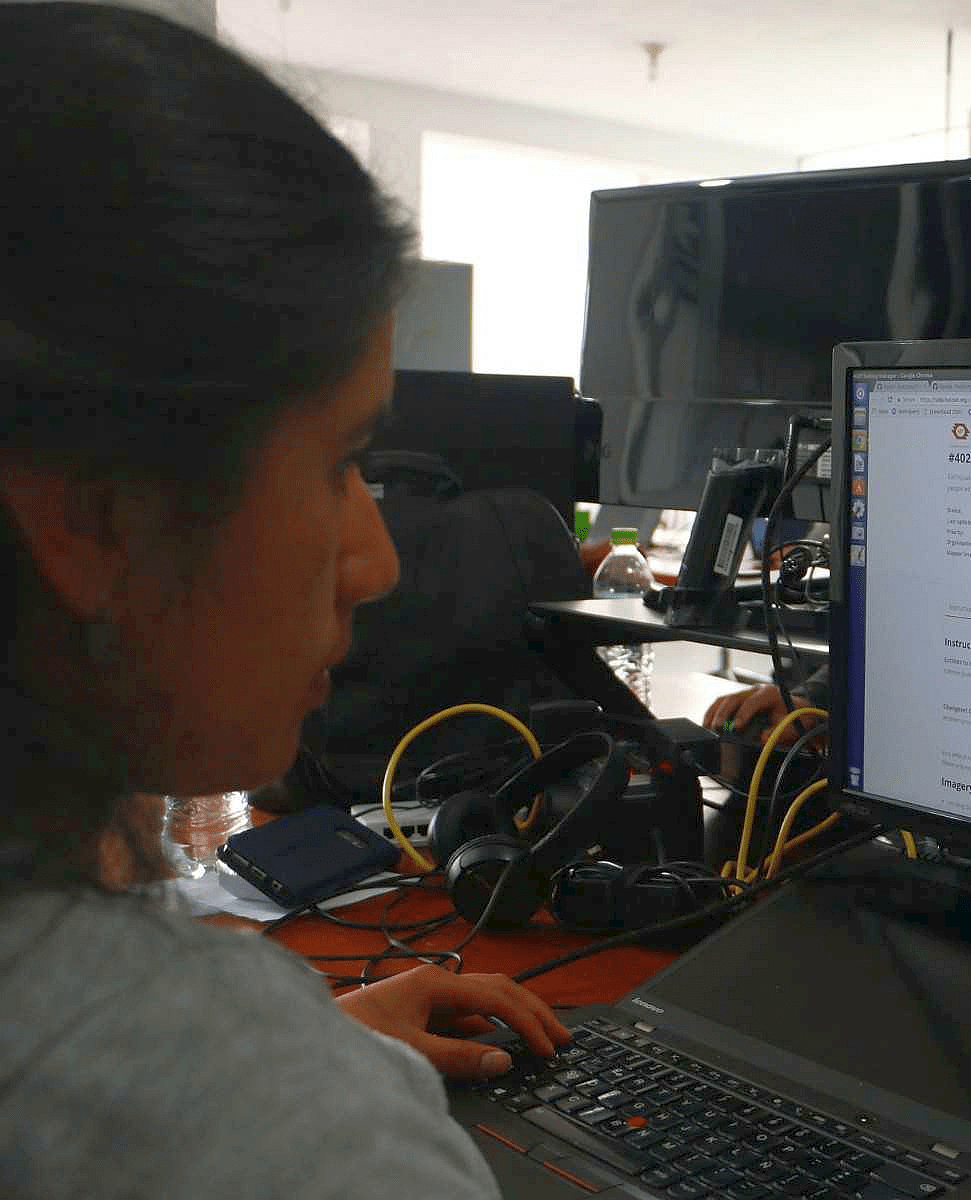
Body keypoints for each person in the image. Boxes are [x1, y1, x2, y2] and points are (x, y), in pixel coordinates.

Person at [0, 7, 566, 1197]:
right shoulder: (288, 1143)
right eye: (340, 462)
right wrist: (291, 1094)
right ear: (93, 518)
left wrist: (313, 1048)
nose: (378, 559)